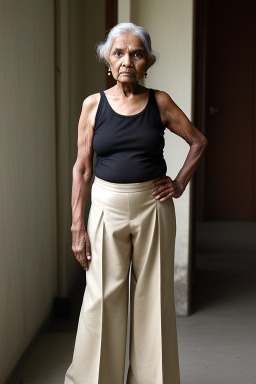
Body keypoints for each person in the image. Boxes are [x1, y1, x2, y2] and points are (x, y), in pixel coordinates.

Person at [64, 22, 208, 384]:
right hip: (106, 206)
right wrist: (77, 226)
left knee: (153, 302)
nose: (127, 60)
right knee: (100, 300)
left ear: (147, 63)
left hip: (153, 206)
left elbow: (198, 141)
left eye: (136, 53)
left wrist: (178, 183)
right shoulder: (93, 106)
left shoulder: (159, 102)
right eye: (119, 53)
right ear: (108, 63)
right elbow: (82, 169)